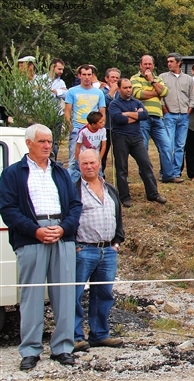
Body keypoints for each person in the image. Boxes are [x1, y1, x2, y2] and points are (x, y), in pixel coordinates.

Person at [0, 124, 82, 370]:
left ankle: (63, 347)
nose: (48, 146)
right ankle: (31, 350)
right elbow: (8, 209)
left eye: (50, 141)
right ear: (29, 143)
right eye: (42, 142)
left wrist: (64, 228)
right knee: (31, 296)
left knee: (65, 294)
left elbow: (75, 205)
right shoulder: (13, 173)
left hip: (61, 235)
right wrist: (34, 230)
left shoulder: (60, 172)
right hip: (31, 235)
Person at [72, 149, 125, 353]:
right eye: (85, 163)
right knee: (75, 294)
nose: (89, 166)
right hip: (83, 250)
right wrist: (75, 246)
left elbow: (118, 216)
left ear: (99, 163)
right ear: (79, 165)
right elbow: (68, 219)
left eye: (92, 162)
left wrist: (117, 242)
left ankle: (99, 334)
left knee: (103, 294)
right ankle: (76, 336)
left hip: (108, 250)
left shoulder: (110, 188)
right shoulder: (74, 190)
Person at [108, 78, 167, 206]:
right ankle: (124, 197)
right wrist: (135, 115)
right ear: (119, 89)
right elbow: (118, 119)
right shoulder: (114, 104)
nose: (129, 90)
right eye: (125, 88)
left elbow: (144, 115)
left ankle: (153, 194)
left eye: (130, 87)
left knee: (146, 164)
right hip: (120, 137)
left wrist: (128, 114)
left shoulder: (137, 102)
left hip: (136, 138)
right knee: (122, 168)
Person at [131, 55, 176, 183]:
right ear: (140, 65)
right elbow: (138, 94)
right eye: (145, 64)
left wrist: (152, 81)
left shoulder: (157, 79)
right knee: (143, 148)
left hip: (158, 118)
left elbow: (165, 92)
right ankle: (145, 175)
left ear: (153, 66)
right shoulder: (134, 79)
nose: (147, 66)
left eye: (150, 64)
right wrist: (156, 92)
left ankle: (168, 176)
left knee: (166, 146)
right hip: (142, 118)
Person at [65, 64, 106, 182]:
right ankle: (72, 188)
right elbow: (67, 110)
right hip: (78, 128)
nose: (87, 77)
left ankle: (97, 185)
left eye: (89, 75)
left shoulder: (99, 93)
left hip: (94, 130)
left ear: (92, 76)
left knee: (96, 159)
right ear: (79, 76)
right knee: (74, 161)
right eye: (84, 74)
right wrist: (70, 127)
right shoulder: (72, 91)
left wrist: (101, 127)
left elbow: (102, 111)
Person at [159, 53, 194, 182]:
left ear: (179, 63)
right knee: (168, 145)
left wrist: (189, 109)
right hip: (170, 114)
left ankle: (176, 172)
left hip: (184, 115)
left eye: (171, 61)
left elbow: (192, 96)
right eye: (168, 61)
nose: (169, 63)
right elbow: (160, 95)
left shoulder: (188, 79)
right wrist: (165, 110)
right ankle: (165, 172)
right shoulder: (162, 77)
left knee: (180, 145)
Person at [73, 111, 107, 179]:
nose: (103, 123)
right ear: (93, 124)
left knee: (98, 175)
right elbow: (78, 147)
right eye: (100, 122)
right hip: (85, 158)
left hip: (95, 157)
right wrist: (77, 160)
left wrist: (99, 159)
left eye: (103, 121)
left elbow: (103, 146)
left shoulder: (103, 130)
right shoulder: (83, 131)